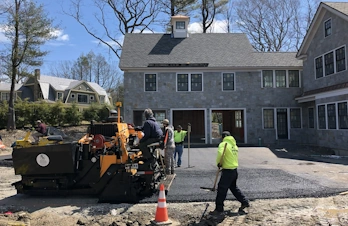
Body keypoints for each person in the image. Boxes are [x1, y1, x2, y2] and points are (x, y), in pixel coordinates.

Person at [211, 131, 250, 215]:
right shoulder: (234, 145)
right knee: (233, 187)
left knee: (221, 189)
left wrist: (219, 163)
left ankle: (219, 209)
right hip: (234, 170)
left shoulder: (224, 144)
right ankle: (244, 202)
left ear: (223, 137)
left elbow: (220, 154)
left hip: (227, 171)